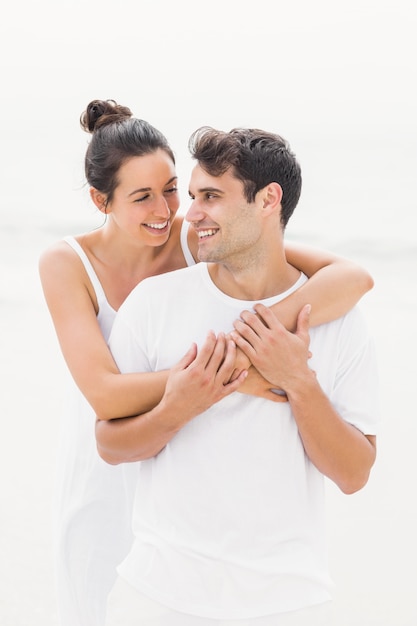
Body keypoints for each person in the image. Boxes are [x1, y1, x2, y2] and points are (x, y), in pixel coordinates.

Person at [39, 100, 373, 626]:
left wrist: (263, 344)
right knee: (93, 595)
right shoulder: (68, 263)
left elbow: (350, 278)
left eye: (173, 189)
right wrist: (227, 375)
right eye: (142, 197)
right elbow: (104, 396)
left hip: (185, 487)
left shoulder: (199, 239)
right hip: (112, 457)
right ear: (100, 201)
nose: (168, 210)